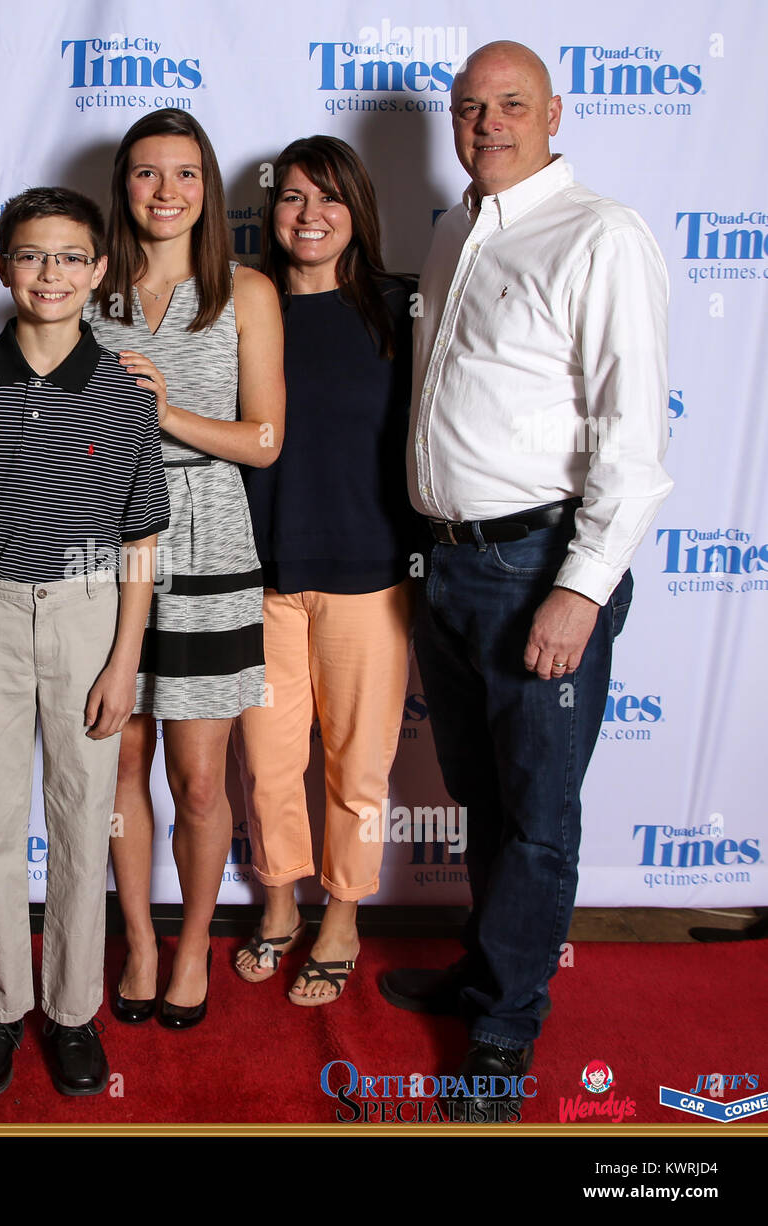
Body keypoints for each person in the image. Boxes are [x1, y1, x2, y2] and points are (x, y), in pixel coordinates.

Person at [379, 41, 673, 1111]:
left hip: (537, 565)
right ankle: (483, 967)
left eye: (509, 104)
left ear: (554, 111)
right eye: (468, 106)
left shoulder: (600, 234)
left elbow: (631, 439)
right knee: (482, 794)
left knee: (540, 813)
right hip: (452, 564)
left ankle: (503, 1029)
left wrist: (580, 586)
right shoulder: (456, 228)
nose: (486, 122)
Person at [0, 187, 169, 1095]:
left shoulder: (128, 389)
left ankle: (70, 1010)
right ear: (4, 266)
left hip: (92, 613)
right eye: (29, 255)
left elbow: (142, 536)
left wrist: (126, 655)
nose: (49, 274)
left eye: (68, 257)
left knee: (81, 823)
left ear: (98, 271)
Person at [87, 109, 285, 1029]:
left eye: (185, 174)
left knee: (200, 780)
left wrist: (165, 412)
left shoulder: (245, 291)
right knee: (117, 764)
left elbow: (265, 439)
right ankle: (135, 938)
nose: (165, 193)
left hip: (210, 542)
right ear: (122, 186)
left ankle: (195, 940)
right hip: (102, 544)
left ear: (208, 189)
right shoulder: (88, 289)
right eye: (145, 174)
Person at [232, 136, 416, 1006]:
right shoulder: (239, 306)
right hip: (258, 574)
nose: (310, 214)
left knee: (359, 766)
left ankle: (342, 913)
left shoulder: (400, 309)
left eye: (329, 197)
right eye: (294, 197)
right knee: (268, 762)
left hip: (370, 576)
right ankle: (278, 905)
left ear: (358, 211)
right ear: (270, 212)